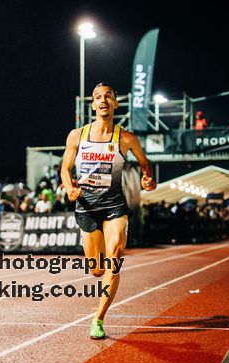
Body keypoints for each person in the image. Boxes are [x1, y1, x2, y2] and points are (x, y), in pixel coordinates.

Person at [60, 82, 157, 340]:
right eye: (98, 97)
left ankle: (98, 319)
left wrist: (149, 179)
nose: (103, 100)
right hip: (87, 208)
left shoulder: (126, 139)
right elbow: (65, 169)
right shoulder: (77, 136)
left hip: (114, 207)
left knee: (113, 261)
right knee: (97, 269)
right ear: (93, 105)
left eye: (108, 96)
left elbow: (147, 166)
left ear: (115, 103)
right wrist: (70, 188)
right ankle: (99, 276)